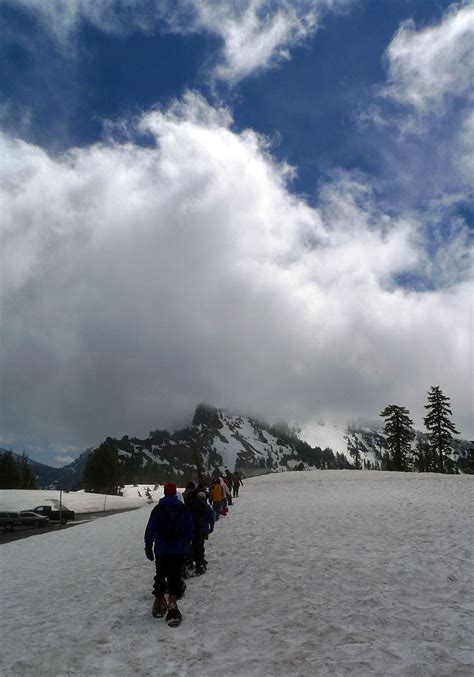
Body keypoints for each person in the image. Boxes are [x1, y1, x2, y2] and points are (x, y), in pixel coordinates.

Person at [144, 481, 193, 626]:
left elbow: (151, 528)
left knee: (160, 574)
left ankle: (159, 602)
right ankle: (172, 604)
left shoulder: (158, 509)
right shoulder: (182, 508)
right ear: (175, 493)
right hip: (178, 549)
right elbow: (189, 528)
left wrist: (148, 545)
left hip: (161, 550)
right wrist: (187, 544)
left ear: (165, 492)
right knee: (174, 576)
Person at [189, 491, 214, 575]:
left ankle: (191, 562)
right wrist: (211, 527)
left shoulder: (193, 506)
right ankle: (199, 565)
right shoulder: (206, 507)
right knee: (200, 546)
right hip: (203, 530)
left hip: (193, 529)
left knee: (194, 545)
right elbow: (211, 517)